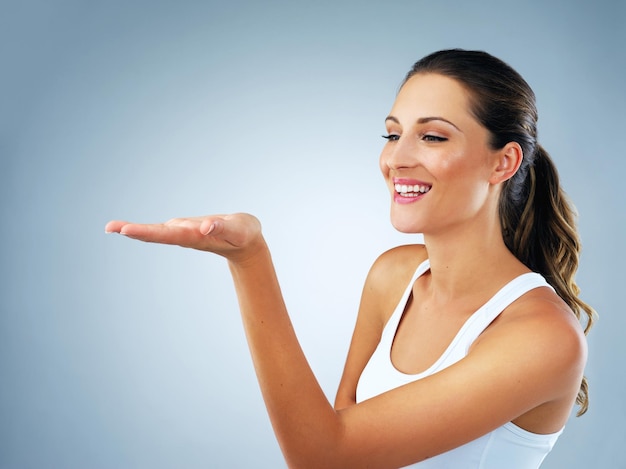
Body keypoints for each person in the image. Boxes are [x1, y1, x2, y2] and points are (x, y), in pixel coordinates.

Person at [105, 49, 596, 468]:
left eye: (433, 136)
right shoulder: (394, 275)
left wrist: (250, 260)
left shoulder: (543, 337)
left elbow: (324, 455)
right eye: (392, 134)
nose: (397, 158)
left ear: (503, 162)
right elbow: (343, 435)